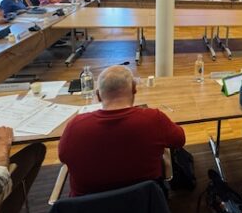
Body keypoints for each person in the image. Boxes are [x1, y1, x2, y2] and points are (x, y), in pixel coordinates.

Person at [59, 66, 186, 197]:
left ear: (98, 95)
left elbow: (63, 157)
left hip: (88, 207)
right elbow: (180, 140)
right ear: (134, 89)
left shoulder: (75, 127)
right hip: (145, 203)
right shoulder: (154, 119)